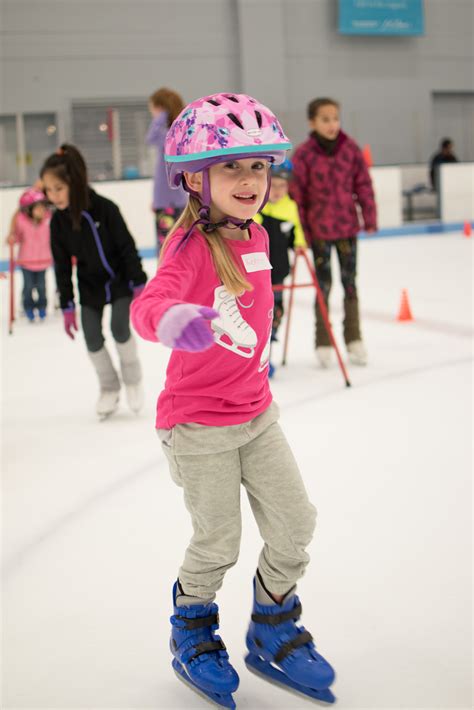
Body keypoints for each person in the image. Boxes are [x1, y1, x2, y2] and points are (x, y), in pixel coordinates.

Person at [131, 93, 336, 709]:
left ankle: (273, 626)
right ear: (196, 176)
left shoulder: (257, 234)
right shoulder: (189, 244)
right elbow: (149, 304)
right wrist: (172, 321)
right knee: (218, 540)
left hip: (257, 412)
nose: (249, 180)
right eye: (231, 167)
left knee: (296, 523)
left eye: (257, 166)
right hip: (197, 425)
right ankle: (191, 629)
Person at [40, 144, 147, 420]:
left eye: (58, 188)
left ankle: (132, 380)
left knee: (120, 328)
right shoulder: (58, 223)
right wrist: (66, 303)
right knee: (91, 336)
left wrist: (139, 281)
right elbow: (62, 266)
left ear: (74, 183)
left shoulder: (106, 209)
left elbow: (126, 246)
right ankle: (109, 387)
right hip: (90, 286)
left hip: (120, 280)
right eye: (48, 190)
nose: (53, 196)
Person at [290, 97, 377, 368]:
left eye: (335, 118)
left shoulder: (350, 149)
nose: (332, 124)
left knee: (350, 283)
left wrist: (369, 215)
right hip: (318, 233)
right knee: (323, 286)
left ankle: (354, 338)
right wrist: (301, 234)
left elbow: (363, 184)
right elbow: (297, 198)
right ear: (312, 122)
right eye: (325, 119)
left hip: (346, 228)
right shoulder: (304, 155)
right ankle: (323, 340)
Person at [254, 159, 306, 377]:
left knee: (275, 313)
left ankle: (270, 351)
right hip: (258, 273)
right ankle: (259, 357)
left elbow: (297, 233)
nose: (278, 191)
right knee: (258, 315)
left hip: (280, 270)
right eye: (273, 186)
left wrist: (300, 245)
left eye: (282, 186)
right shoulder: (257, 205)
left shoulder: (290, 207)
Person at [146, 88, 187, 255]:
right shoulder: (176, 131)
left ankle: (169, 279)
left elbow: (150, 139)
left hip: (170, 201)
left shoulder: (170, 134)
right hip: (174, 200)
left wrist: (161, 116)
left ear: (160, 107)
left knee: (167, 248)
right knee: (176, 245)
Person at [6, 187, 52, 322]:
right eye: (38, 208)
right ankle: (28, 307)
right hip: (27, 261)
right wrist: (12, 238)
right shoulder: (22, 222)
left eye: (43, 207)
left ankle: (42, 306)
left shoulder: (48, 221)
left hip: (43, 261)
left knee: (42, 286)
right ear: (29, 210)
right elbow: (17, 237)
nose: (41, 211)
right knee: (28, 286)